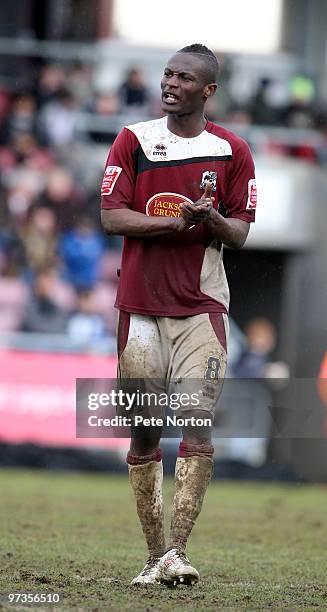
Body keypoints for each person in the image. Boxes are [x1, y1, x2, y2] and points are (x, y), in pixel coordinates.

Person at [100, 44, 257, 586]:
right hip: (139, 309)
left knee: (196, 423)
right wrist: (172, 225)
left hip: (201, 308)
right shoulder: (134, 139)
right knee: (145, 432)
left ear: (207, 90)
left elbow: (239, 232)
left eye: (183, 77)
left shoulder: (233, 150)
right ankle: (152, 554)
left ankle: (177, 551)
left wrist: (211, 217)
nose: (170, 83)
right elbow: (111, 216)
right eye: (167, 74)